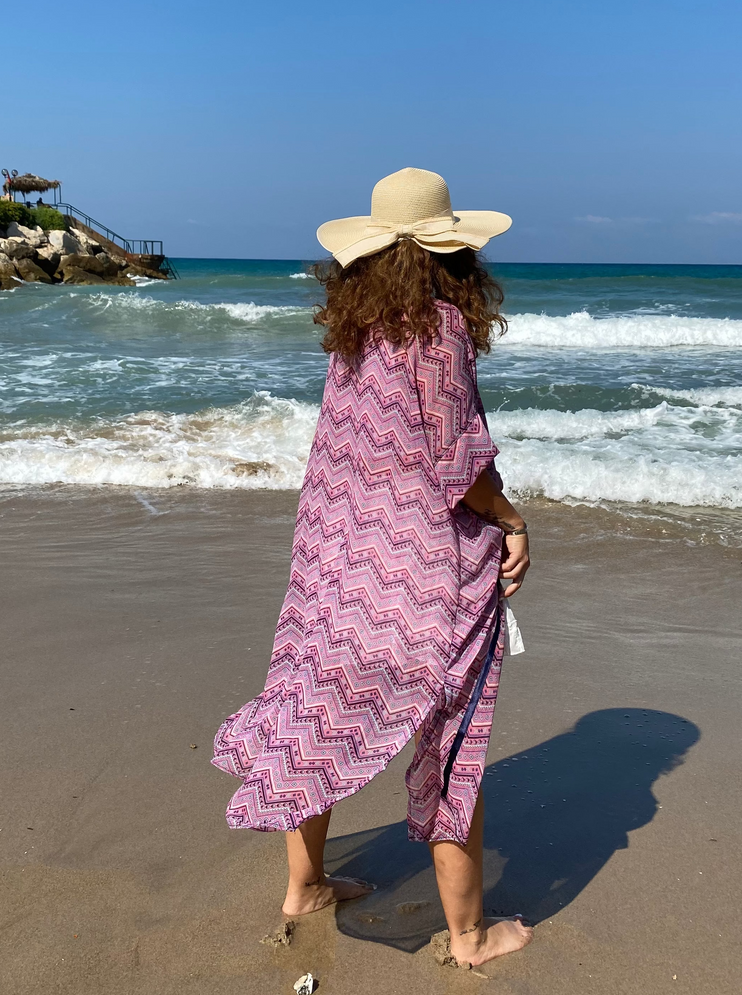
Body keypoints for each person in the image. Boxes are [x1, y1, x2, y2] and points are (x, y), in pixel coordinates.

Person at [212, 168, 533, 968]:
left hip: (337, 561)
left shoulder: (355, 336)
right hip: (424, 575)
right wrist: (513, 520)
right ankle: (467, 937)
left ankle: (305, 885)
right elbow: (461, 462)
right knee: (452, 738)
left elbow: (343, 457)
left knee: (315, 710)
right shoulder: (439, 328)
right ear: (451, 255)